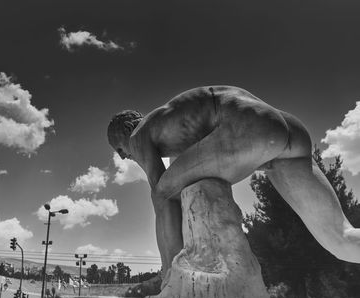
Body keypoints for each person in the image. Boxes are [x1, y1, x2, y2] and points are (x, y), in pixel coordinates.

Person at [107, 85, 360, 280]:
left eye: (118, 146)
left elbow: (161, 191)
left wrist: (168, 280)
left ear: (128, 127)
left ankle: (172, 277)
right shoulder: (171, 124)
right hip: (286, 128)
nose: (122, 155)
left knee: (163, 193)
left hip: (250, 127)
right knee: (342, 240)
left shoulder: (139, 134)